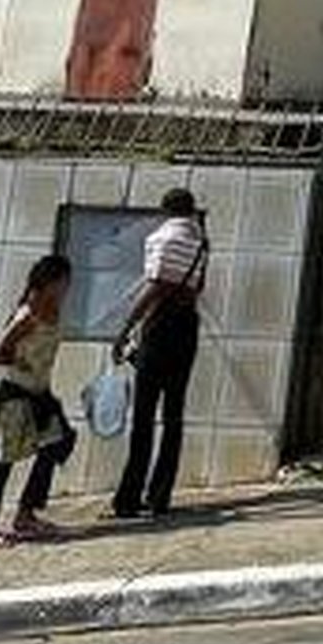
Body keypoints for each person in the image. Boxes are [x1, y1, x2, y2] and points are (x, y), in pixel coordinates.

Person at [109, 188, 210, 520]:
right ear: (191, 210)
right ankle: (160, 495)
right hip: (187, 327)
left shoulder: (161, 239)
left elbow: (155, 287)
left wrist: (125, 329)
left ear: (165, 211)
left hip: (160, 327)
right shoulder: (201, 242)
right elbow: (198, 287)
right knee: (173, 415)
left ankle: (129, 497)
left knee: (144, 415)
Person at [0, 254, 75, 545]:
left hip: (40, 393)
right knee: (3, 459)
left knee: (57, 442)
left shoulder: (54, 310)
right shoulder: (27, 315)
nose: (66, 288)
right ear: (49, 282)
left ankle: (26, 513)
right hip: (16, 395)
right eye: (63, 282)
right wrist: (21, 363)